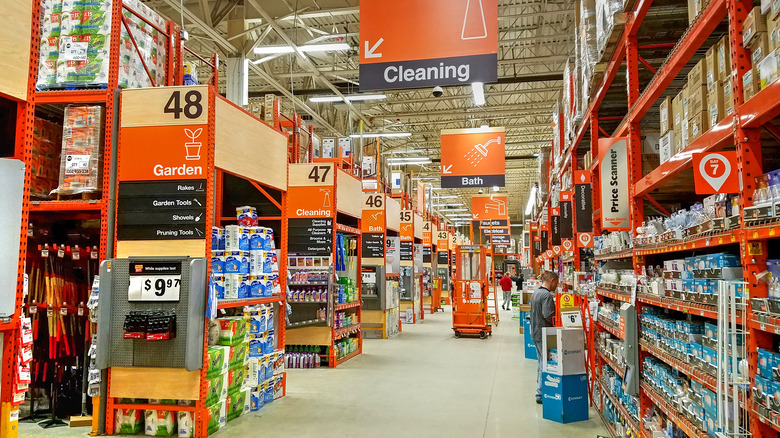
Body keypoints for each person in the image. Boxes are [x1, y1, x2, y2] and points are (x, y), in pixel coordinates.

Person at [529, 271, 558, 404]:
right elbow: (548, 315)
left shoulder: (536, 293)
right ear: (551, 280)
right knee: (543, 363)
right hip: (543, 333)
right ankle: (540, 394)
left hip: (535, 331)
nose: (556, 286)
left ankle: (540, 389)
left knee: (540, 360)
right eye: (556, 283)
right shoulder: (546, 295)